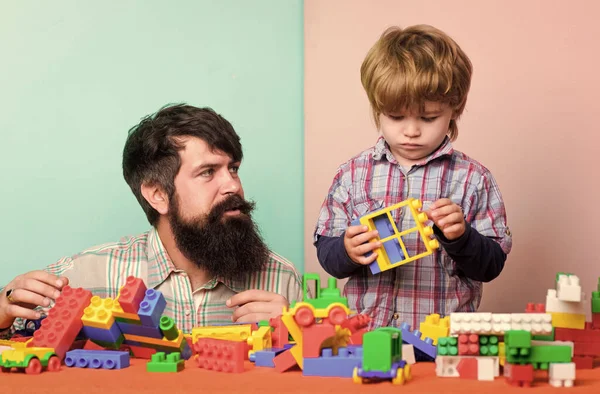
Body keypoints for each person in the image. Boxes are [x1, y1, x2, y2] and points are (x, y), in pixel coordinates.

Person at [0, 104, 303, 338]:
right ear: (158, 195)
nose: (233, 186)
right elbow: (16, 331)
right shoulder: (87, 275)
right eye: (208, 172)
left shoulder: (281, 280)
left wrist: (295, 332)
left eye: (233, 168)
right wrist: (3, 311)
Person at [314, 25, 512, 329]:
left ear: (454, 109)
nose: (411, 130)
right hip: (368, 336)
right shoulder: (352, 175)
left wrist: (460, 237)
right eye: (395, 117)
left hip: (442, 342)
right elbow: (328, 254)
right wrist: (347, 250)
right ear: (378, 108)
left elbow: (491, 265)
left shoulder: (473, 179)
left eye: (428, 117)